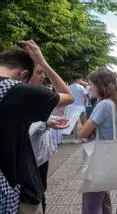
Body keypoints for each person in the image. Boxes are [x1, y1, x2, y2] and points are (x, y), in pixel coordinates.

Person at [0, 40, 74, 213]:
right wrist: (42, 62)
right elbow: (68, 96)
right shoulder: (19, 91)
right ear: (23, 74)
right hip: (14, 185)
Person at [78, 68, 117, 214]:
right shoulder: (112, 103)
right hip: (107, 158)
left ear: (101, 85)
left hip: (97, 160)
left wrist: (86, 130)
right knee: (104, 202)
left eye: (91, 84)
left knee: (91, 206)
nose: (89, 88)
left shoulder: (103, 105)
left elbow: (82, 133)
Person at [28, 65, 69, 213]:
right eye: (39, 73)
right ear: (25, 74)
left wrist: (52, 120)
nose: (43, 76)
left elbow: (39, 117)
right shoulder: (21, 96)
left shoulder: (37, 94)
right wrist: (46, 123)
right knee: (32, 196)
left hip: (40, 156)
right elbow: (25, 127)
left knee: (40, 189)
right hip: (30, 158)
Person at [68, 73, 87, 143]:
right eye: (80, 79)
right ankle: (84, 138)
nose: (81, 80)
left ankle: (76, 139)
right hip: (81, 107)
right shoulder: (81, 87)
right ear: (77, 79)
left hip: (72, 107)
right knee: (84, 123)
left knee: (74, 124)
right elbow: (85, 98)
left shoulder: (69, 87)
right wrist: (83, 104)